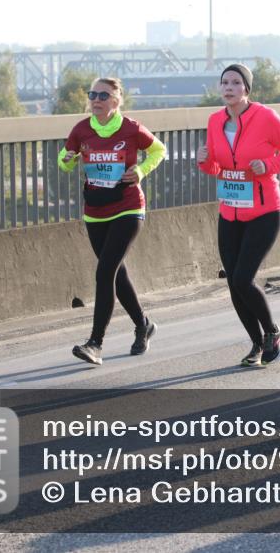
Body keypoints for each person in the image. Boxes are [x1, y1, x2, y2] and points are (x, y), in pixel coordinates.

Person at [197, 63, 280, 367]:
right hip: (229, 212)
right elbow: (217, 168)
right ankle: (257, 344)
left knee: (243, 278)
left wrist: (267, 166)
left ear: (246, 89)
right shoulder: (215, 121)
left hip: (264, 210)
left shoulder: (265, 116)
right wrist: (204, 162)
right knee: (233, 282)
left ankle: (273, 332)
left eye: (235, 82)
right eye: (224, 82)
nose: (228, 87)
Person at [60, 77, 166, 366]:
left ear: (117, 100)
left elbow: (159, 150)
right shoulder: (82, 129)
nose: (97, 99)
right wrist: (68, 158)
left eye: (104, 95)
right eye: (93, 94)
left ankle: (95, 343)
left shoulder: (130, 128)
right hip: (95, 210)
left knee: (105, 271)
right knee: (116, 273)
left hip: (128, 207)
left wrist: (141, 170)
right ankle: (143, 325)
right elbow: (64, 159)